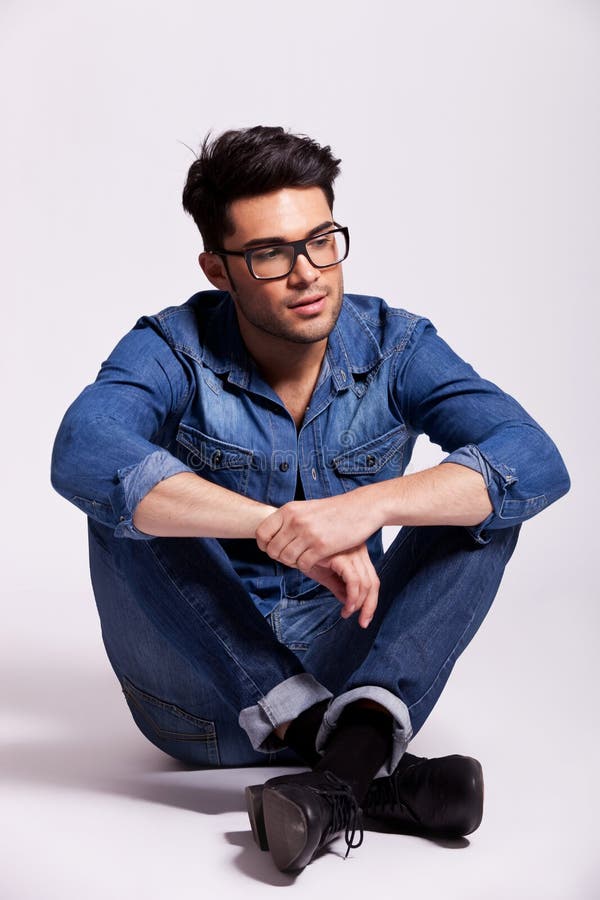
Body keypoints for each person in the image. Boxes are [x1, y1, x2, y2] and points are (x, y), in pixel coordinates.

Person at [50, 125, 570, 874]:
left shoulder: (396, 344)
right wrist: (276, 525)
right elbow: (83, 450)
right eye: (271, 253)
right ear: (219, 270)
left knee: (488, 503)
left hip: (354, 677)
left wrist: (369, 507)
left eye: (322, 239)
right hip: (197, 701)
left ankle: (337, 781)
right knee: (126, 500)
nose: (308, 273)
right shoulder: (171, 347)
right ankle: (355, 759)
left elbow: (535, 458)